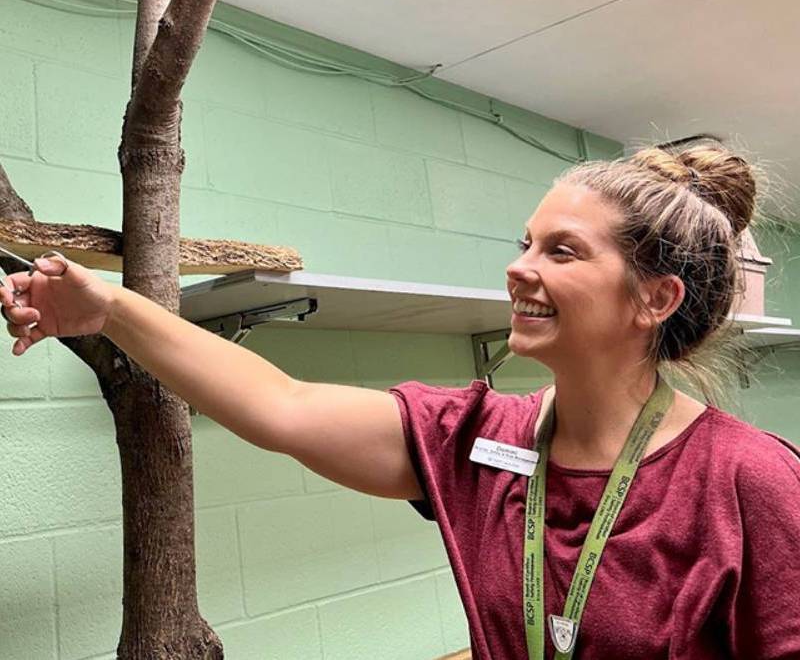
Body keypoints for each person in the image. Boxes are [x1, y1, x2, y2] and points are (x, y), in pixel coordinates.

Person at [2, 141, 799, 659]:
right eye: (524, 242)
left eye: (562, 250)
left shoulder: (749, 482)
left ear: (654, 298)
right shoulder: (482, 438)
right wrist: (109, 307)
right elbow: (282, 405)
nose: (520, 268)